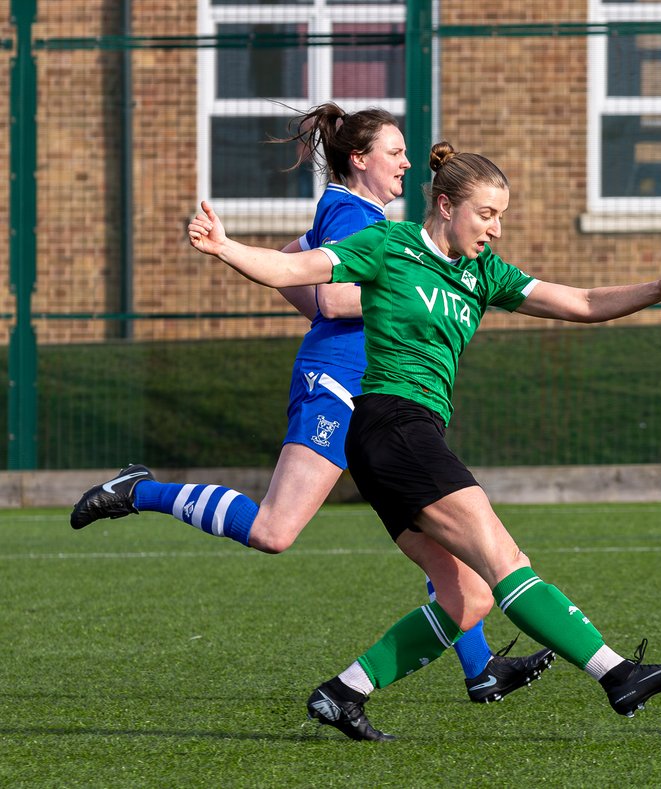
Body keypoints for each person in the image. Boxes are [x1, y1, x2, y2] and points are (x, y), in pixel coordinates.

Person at [186, 140, 661, 741]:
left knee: (469, 597)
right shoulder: (391, 245)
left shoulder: (483, 273)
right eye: (487, 214)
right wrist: (224, 246)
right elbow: (292, 271)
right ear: (445, 205)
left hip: (402, 437)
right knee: (505, 560)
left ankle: (343, 693)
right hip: (392, 425)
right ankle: (617, 674)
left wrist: (657, 289)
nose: (495, 228)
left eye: (502, 217)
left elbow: (584, 302)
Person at [70, 105, 553, 707]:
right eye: (394, 152)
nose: (408, 162)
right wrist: (405, 290)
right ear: (360, 159)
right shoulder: (353, 212)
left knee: (437, 523)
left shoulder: (355, 214)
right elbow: (330, 294)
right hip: (341, 382)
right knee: (275, 530)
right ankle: (140, 491)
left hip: (377, 389)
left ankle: (478, 667)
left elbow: (295, 269)